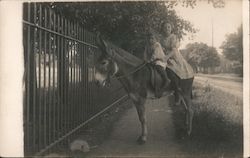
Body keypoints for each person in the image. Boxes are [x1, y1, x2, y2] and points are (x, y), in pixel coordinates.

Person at [160, 22, 194, 104]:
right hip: (165, 56)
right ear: (163, 29)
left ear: (171, 29)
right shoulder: (162, 39)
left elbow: (174, 50)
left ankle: (177, 92)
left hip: (174, 57)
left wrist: (166, 57)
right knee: (158, 69)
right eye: (165, 27)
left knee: (172, 72)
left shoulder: (173, 37)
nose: (167, 29)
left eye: (168, 27)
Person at [144, 32, 170, 98]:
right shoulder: (147, 46)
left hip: (160, 60)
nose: (151, 40)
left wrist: (149, 61)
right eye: (149, 38)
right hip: (151, 62)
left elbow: (155, 55)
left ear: (155, 39)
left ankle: (166, 80)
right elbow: (145, 54)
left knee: (158, 67)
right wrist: (145, 60)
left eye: (152, 38)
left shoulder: (157, 45)